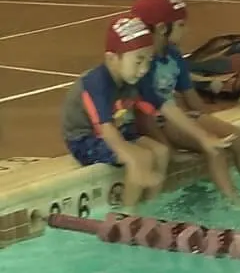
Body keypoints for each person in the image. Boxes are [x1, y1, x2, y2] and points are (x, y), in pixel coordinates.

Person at [131, 0, 240, 200]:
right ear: (162, 28)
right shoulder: (141, 63)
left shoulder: (173, 56)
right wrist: (174, 146)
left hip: (178, 116)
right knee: (213, 147)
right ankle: (234, 201)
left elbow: (192, 98)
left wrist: (208, 120)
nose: (186, 30)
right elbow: (144, 114)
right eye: (181, 25)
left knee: (238, 137)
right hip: (158, 124)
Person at [62, 14, 170, 208]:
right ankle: (127, 216)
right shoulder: (96, 83)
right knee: (140, 158)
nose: (145, 68)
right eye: (138, 61)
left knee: (161, 152)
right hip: (85, 139)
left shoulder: (135, 75)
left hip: (118, 129)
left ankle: (153, 207)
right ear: (112, 59)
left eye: (148, 60)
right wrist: (132, 157)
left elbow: (160, 106)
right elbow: (105, 129)